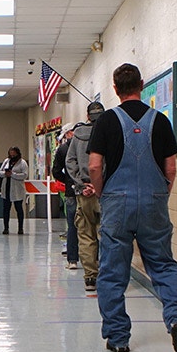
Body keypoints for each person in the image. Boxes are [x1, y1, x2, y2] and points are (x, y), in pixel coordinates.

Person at [85, 63, 177, 352]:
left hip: (116, 203)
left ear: (115, 88)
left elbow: (95, 165)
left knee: (112, 272)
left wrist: (101, 192)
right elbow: (170, 168)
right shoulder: (160, 120)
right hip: (153, 201)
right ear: (142, 84)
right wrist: (161, 194)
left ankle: (118, 337)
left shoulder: (106, 121)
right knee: (163, 264)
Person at [66, 101, 105, 290]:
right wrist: (99, 185)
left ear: (88, 116)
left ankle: (90, 277)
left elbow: (70, 161)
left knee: (86, 234)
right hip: (105, 193)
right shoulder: (111, 134)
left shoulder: (77, 136)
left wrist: (82, 184)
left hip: (84, 194)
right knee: (107, 235)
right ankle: (107, 275)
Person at [52, 128, 80, 270]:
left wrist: (68, 180)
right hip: (92, 191)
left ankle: (73, 260)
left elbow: (56, 171)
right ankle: (95, 259)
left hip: (71, 191)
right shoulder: (93, 144)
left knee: (72, 225)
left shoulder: (63, 149)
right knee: (93, 226)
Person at [0, 146, 29, 234]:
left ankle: (20, 228)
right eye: (10, 153)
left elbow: (25, 175)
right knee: (6, 209)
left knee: (19, 209)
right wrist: (5, 174)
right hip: (6, 188)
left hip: (17, 189)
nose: (12, 155)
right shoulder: (6, 161)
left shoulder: (22, 163)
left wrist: (13, 174)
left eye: (13, 153)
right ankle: (6, 228)